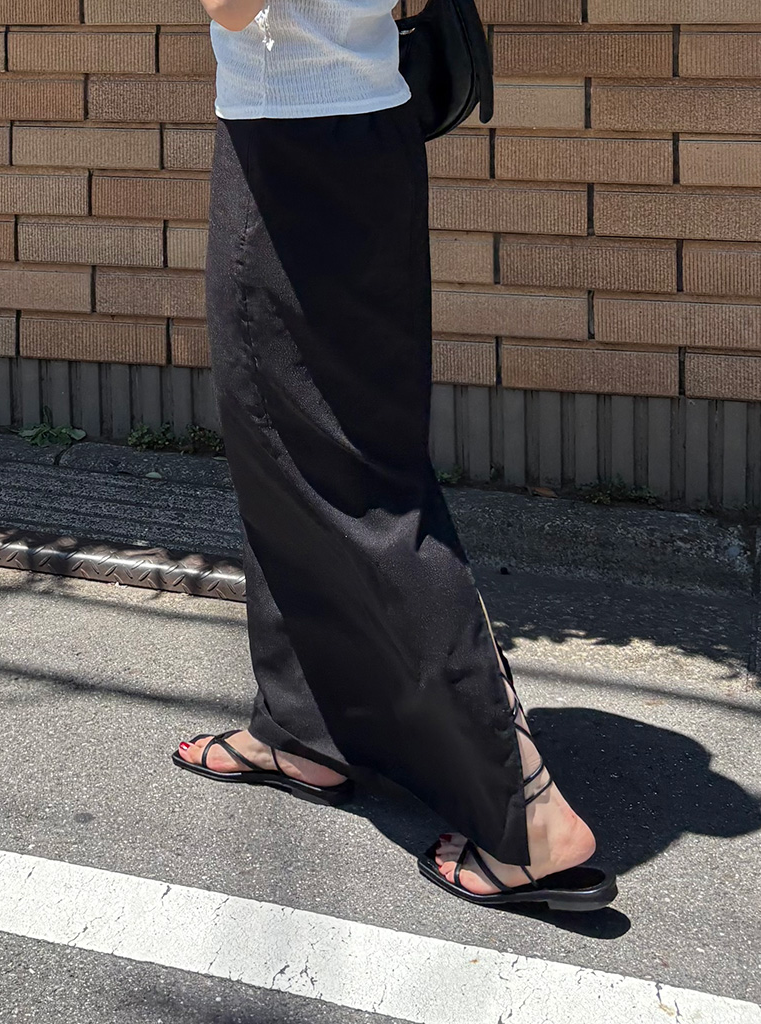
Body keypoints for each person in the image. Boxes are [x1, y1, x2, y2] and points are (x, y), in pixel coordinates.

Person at [173, 0, 616, 911]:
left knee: (352, 483)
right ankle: (302, 726)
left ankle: (528, 817)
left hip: (291, 151)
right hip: (369, 127)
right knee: (295, 458)